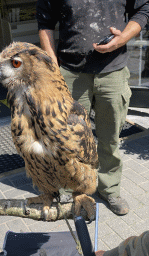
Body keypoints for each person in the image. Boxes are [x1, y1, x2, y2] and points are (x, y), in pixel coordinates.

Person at [36, 0, 149, 215]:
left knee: (110, 138)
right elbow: (45, 22)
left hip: (113, 72)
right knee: (69, 142)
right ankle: (76, 191)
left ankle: (110, 189)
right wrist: (53, 69)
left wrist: (123, 38)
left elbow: (144, 9)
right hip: (70, 73)